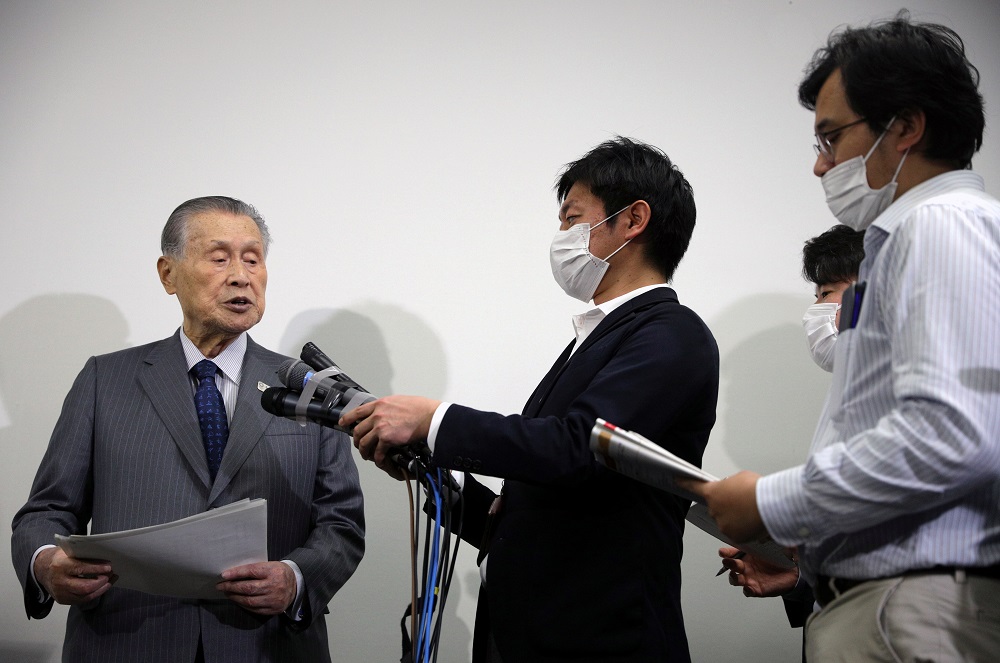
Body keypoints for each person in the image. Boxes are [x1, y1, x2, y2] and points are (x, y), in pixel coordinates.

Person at [689, 13, 1000, 661]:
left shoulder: (941, 226)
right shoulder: (912, 241)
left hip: (914, 610)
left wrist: (770, 501)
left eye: (831, 138)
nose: (819, 165)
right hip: (885, 598)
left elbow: (952, 436)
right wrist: (811, 559)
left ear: (906, 126)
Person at [342, 137, 719, 663]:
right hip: (530, 636)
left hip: (603, 642)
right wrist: (434, 470)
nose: (561, 236)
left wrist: (435, 422)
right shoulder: (592, 340)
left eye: (572, 217)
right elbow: (541, 504)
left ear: (632, 221)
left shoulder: (673, 335)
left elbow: (579, 450)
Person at [11, 196, 366, 663]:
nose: (241, 275)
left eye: (253, 259)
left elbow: (341, 523)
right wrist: (45, 564)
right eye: (219, 258)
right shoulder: (105, 380)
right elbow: (46, 512)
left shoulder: (308, 389)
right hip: (128, 640)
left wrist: (295, 578)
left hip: (268, 646)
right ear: (168, 274)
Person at [719, 225, 866, 642]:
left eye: (826, 293)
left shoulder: (911, 394)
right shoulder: (843, 397)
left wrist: (767, 501)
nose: (815, 309)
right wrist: (802, 576)